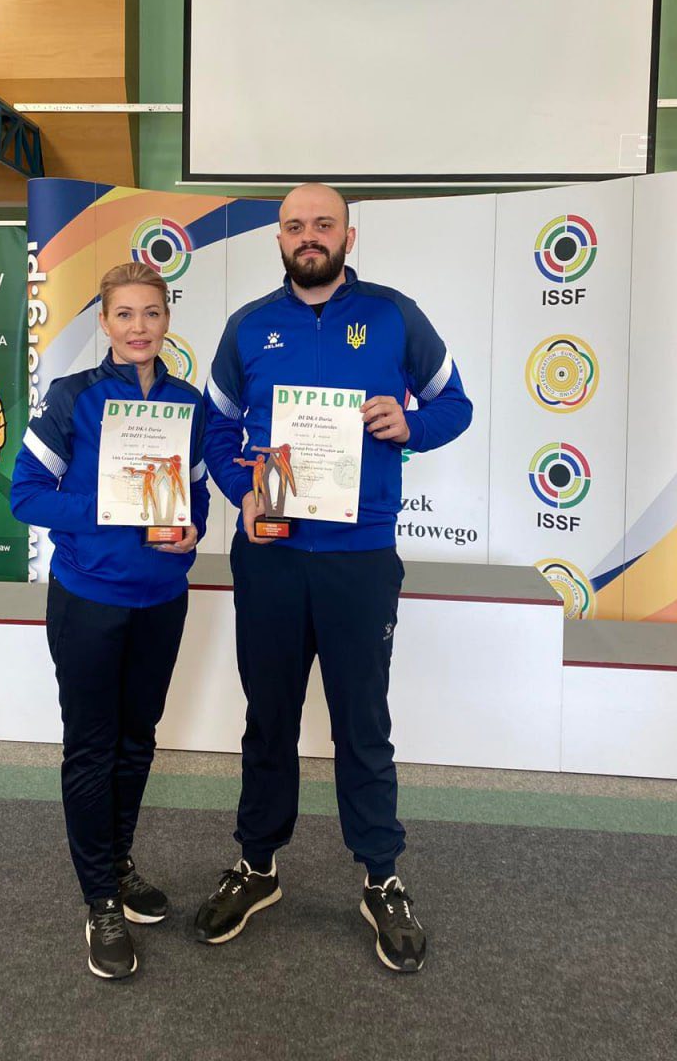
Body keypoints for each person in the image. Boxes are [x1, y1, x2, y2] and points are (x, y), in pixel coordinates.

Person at [194, 183, 472, 973]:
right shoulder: (248, 326)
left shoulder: (394, 315)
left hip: (359, 557)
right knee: (268, 717)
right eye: (294, 225)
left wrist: (411, 424)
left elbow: (456, 405)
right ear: (278, 238)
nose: (308, 236)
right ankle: (257, 864)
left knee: (362, 722)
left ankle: (381, 876)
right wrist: (241, 490)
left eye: (323, 224)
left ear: (350, 235)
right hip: (272, 555)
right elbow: (215, 428)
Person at [10, 261, 208, 981]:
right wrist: (105, 502)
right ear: (103, 322)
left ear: (167, 319)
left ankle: (119, 864)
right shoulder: (73, 397)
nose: (138, 327)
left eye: (150, 313)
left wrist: (191, 533)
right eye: (124, 314)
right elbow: (26, 496)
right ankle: (99, 900)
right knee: (92, 750)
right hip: (89, 600)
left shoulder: (187, 404)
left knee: (137, 742)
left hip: (161, 600)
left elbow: (196, 496)